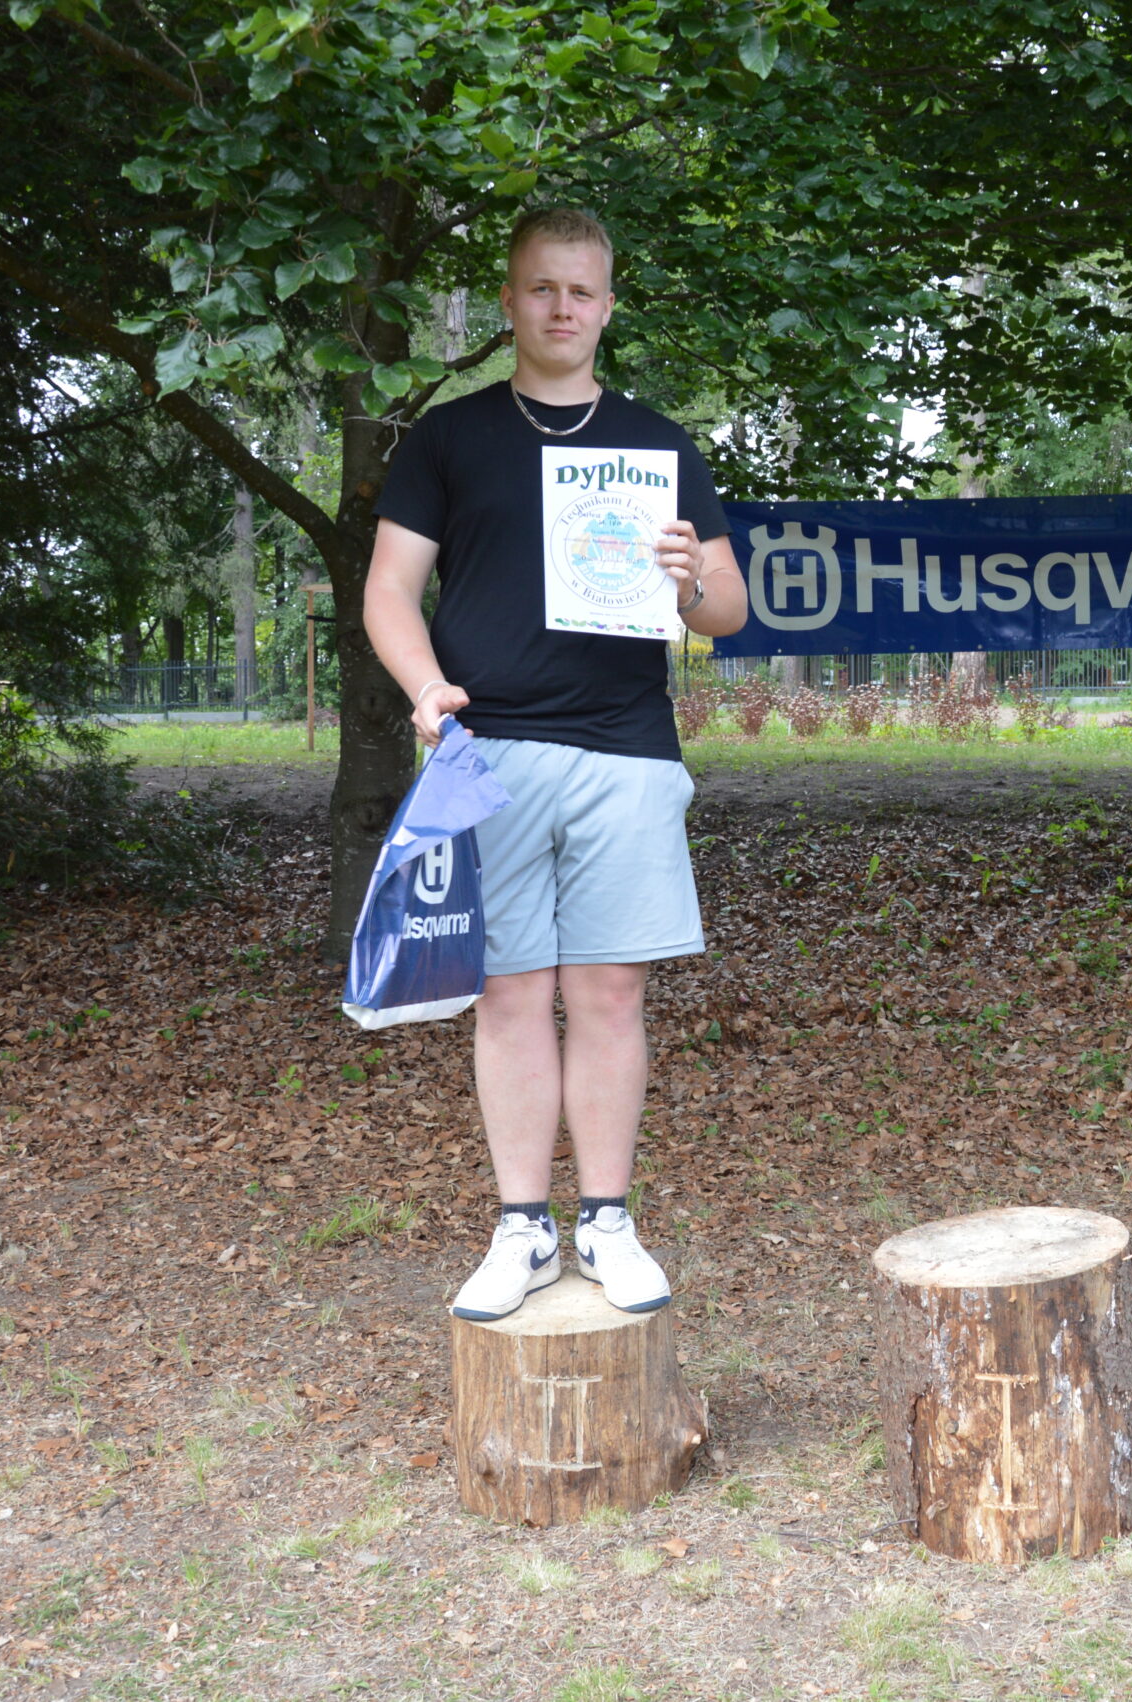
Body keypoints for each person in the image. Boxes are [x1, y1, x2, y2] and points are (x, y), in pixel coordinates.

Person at [365, 207, 748, 1321]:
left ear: (608, 306)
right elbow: (388, 592)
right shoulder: (448, 438)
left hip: (626, 748)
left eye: (581, 291)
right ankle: (522, 1228)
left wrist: (688, 578)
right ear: (509, 302)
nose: (562, 308)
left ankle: (608, 1222)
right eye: (542, 288)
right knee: (509, 995)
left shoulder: (657, 447)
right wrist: (424, 689)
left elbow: (727, 609)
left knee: (610, 992)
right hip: (486, 750)